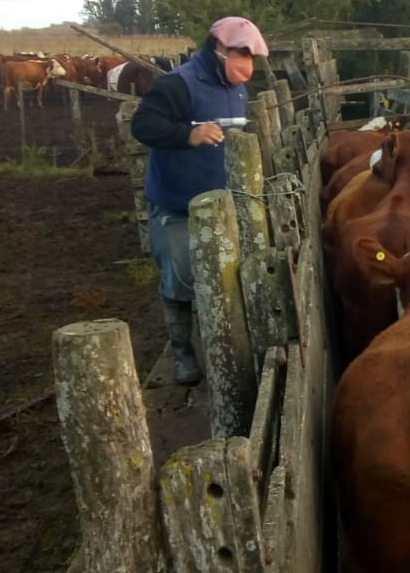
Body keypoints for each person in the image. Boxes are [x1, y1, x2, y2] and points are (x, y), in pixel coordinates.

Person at [131, 16, 268, 385]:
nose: (248, 64)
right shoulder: (178, 84)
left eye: (252, 56)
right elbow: (142, 126)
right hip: (179, 204)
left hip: (225, 202)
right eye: (242, 54)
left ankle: (223, 344)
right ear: (220, 49)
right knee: (178, 280)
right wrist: (188, 134)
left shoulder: (236, 89)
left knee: (225, 277)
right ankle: (182, 353)